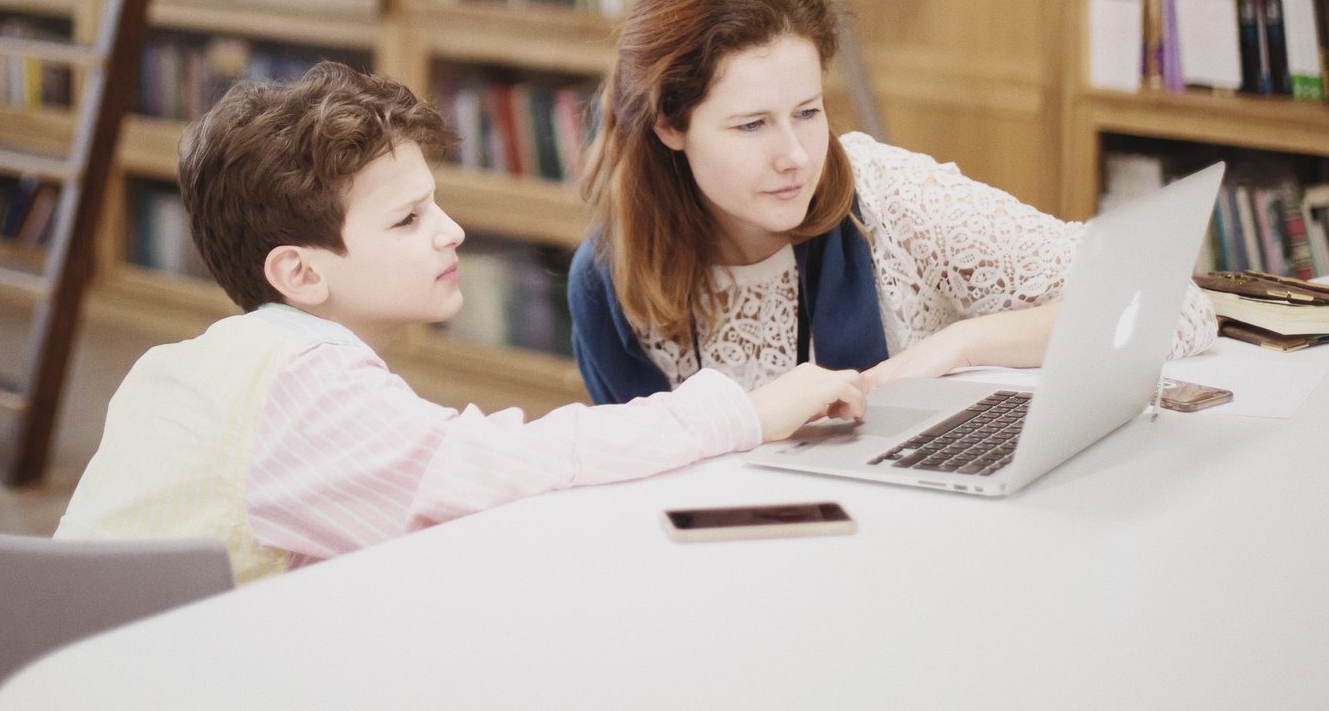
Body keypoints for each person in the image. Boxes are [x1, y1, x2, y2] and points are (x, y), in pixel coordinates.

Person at [56, 61, 866, 582]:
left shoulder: (204, 364)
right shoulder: (305, 386)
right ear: (299, 272)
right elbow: (509, 464)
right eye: (407, 222)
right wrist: (744, 410)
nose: (451, 233)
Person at [568, 0, 1217, 404]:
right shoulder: (609, 280)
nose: (795, 154)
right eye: (751, 126)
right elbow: (634, 483)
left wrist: (964, 343)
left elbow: (1169, 303)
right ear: (669, 126)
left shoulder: (885, 196)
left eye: (807, 112)